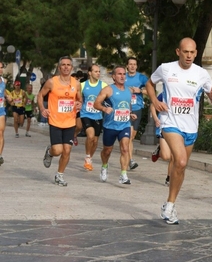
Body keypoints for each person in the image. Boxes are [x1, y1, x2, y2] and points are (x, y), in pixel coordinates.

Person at [146, 37, 212, 225]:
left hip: (191, 126)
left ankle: (169, 203)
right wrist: (155, 101)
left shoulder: (202, 73)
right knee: (180, 160)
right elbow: (150, 83)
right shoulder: (166, 68)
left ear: (196, 53)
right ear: (178, 52)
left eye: (192, 52)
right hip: (170, 122)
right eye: (185, 52)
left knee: (181, 166)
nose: (189, 56)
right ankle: (170, 207)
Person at [37, 56, 82, 187]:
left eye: (68, 65)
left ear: (72, 68)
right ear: (59, 67)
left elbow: (79, 99)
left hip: (70, 121)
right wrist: (42, 108)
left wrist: (79, 104)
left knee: (67, 150)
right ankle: (49, 152)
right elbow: (40, 95)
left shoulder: (76, 83)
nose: (66, 67)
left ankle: (59, 175)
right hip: (55, 121)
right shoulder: (52, 82)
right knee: (58, 150)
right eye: (63, 65)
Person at [93, 65, 137, 184]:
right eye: (119, 74)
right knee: (107, 150)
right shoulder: (108, 90)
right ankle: (104, 166)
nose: (122, 76)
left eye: (124, 74)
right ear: (113, 76)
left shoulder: (129, 90)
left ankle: (123, 175)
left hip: (124, 125)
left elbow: (127, 106)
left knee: (124, 148)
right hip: (110, 126)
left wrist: (131, 113)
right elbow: (96, 104)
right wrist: (104, 109)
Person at [80, 64, 108, 171]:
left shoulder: (103, 85)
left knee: (95, 141)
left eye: (99, 71)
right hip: (85, 114)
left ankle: (90, 158)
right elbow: (77, 98)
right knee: (90, 136)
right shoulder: (82, 85)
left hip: (98, 115)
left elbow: (110, 97)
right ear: (90, 73)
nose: (98, 73)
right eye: (96, 71)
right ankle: (87, 157)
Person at [125, 57, 148, 170]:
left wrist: (140, 91)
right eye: (130, 64)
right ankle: (130, 160)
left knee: (132, 136)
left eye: (134, 64)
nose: (132, 66)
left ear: (136, 66)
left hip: (137, 108)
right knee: (128, 136)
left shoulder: (142, 78)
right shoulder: (123, 77)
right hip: (125, 109)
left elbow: (151, 91)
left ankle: (127, 155)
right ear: (127, 66)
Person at [150, 92, 172, 186]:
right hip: (164, 125)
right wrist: (156, 119)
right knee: (166, 156)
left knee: (175, 155)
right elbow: (152, 105)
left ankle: (169, 178)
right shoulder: (165, 93)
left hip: (179, 127)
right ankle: (160, 151)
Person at [0, 62, 13, 165]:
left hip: (1, 110)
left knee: (0, 133)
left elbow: (3, 91)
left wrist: (7, 97)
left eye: (1, 68)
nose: (0, 70)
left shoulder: (4, 81)